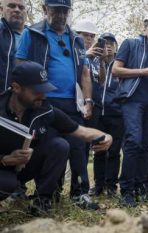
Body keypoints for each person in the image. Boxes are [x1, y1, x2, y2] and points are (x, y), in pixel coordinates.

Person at [0, 61, 112, 215]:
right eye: (36, 91)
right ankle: (13, 192)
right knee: (6, 185)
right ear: (17, 87)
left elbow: (81, 131)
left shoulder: (45, 109)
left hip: (25, 165)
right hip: (3, 167)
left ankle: (42, 200)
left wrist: (106, 136)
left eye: (45, 90)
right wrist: (4, 159)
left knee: (60, 145)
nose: (43, 95)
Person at [15, 0, 97, 209]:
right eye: (56, 10)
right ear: (45, 10)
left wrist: (87, 101)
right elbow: (20, 66)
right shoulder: (32, 34)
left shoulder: (76, 39)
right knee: (54, 145)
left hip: (73, 102)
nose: (61, 15)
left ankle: (80, 193)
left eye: (65, 11)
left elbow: (85, 73)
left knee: (79, 148)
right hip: (45, 101)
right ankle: (48, 194)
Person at [112, 11, 148, 207]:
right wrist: (142, 72)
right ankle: (126, 190)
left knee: (145, 146)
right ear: (145, 26)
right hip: (133, 100)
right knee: (133, 141)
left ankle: (141, 188)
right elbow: (116, 70)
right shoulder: (130, 44)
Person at [89, 32, 123, 198]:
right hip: (97, 113)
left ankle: (111, 186)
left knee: (114, 151)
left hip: (116, 114)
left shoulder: (121, 64)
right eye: (105, 43)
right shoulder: (94, 63)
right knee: (98, 150)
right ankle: (98, 185)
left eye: (111, 43)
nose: (108, 46)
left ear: (115, 46)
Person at [0, 0, 27, 93]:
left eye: (21, 7)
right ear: (1, 9)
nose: (17, 10)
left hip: (26, 99)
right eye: (11, 6)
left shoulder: (35, 37)